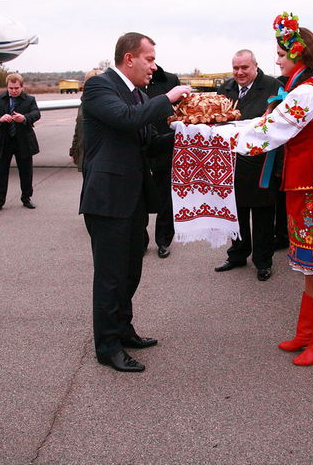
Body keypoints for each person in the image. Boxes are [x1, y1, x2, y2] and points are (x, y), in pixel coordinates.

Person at [229, 13, 313, 365]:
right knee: (307, 263)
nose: (277, 60)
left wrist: (223, 136)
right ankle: (307, 331)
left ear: (297, 54)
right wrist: (229, 127)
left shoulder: (307, 91)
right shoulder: (300, 88)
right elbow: (267, 123)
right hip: (304, 181)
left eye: (281, 54)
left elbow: (273, 129)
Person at [79, 32, 191, 372]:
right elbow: (127, 120)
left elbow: (148, 142)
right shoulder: (100, 87)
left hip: (134, 199)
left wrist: (185, 131)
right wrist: (169, 98)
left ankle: (123, 329)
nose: (153, 67)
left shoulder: (139, 94)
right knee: (111, 276)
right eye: (149, 59)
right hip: (109, 199)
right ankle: (107, 346)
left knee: (130, 271)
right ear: (129, 58)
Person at [214, 50, 283, 281]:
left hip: (262, 163)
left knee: (263, 215)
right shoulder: (225, 88)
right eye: (236, 68)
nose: (239, 73)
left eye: (244, 68)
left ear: (255, 66)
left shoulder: (273, 87)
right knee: (237, 213)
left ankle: (263, 261)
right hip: (232, 163)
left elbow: (280, 126)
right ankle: (237, 254)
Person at [0, 73, 41, 213]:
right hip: (3, 141)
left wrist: (25, 118)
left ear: (22, 87)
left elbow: (36, 113)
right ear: (7, 87)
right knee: (1, 173)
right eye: (11, 88)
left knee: (26, 172)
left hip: (23, 141)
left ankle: (26, 197)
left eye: (16, 88)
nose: (14, 91)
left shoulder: (29, 100)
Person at [146, 64, 182, 259]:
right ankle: (140, 241)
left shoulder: (169, 80)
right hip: (139, 147)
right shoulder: (129, 84)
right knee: (138, 198)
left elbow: (181, 110)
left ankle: (164, 240)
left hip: (165, 146)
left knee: (166, 199)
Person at [70, 69, 104, 172]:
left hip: (102, 158)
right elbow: (78, 130)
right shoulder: (83, 104)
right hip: (85, 155)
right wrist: (74, 151)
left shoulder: (108, 104)